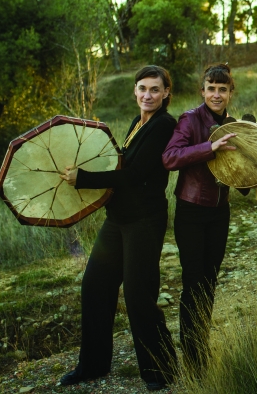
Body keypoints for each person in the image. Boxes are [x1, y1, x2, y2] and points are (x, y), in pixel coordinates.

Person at [58, 65, 177, 390]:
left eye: (155, 89)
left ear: (166, 92)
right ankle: (93, 365)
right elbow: (120, 161)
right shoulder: (139, 122)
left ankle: (161, 371)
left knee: (139, 296)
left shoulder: (165, 124)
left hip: (144, 221)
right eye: (142, 88)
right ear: (135, 91)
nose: (148, 95)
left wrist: (84, 179)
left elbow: (135, 174)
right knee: (95, 287)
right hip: (118, 219)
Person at [161, 64, 239, 372]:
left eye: (223, 89)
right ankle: (193, 359)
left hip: (220, 212)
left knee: (209, 281)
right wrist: (210, 147)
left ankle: (199, 346)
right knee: (194, 283)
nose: (216, 94)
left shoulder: (232, 123)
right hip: (192, 210)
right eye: (211, 88)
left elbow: (236, 168)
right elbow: (170, 157)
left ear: (230, 92)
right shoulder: (190, 119)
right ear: (202, 91)